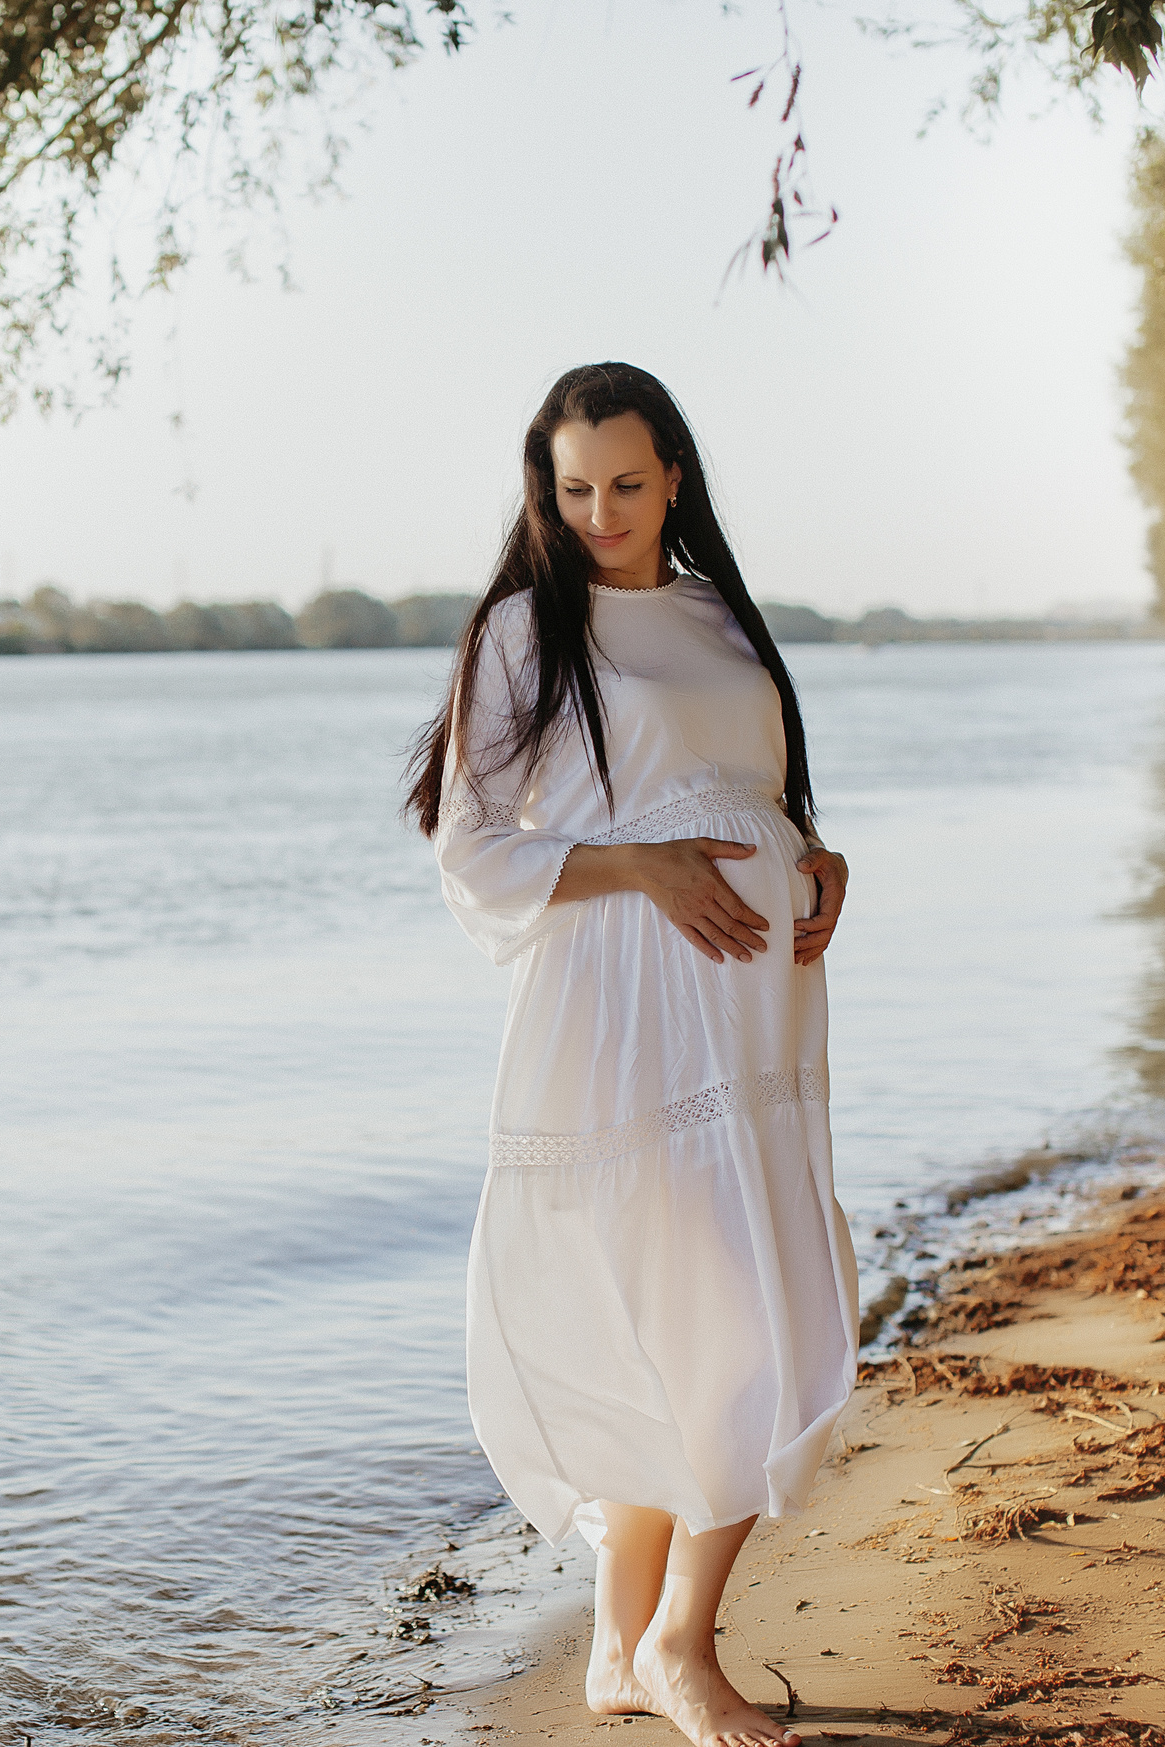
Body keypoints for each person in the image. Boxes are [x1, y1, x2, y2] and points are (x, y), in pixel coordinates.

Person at [405, 363, 857, 1747]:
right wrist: (645, 871)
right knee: (720, 1310)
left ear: (675, 478)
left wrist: (821, 858)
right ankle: (681, 1643)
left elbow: (759, 790)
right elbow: (471, 846)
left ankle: (618, 1647)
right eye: (574, 486)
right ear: (545, 488)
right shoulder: (523, 635)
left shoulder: (719, 614)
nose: (600, 511)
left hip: (755, 1011)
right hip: (627, 1011)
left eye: (628, 483)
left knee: (723, 1300)